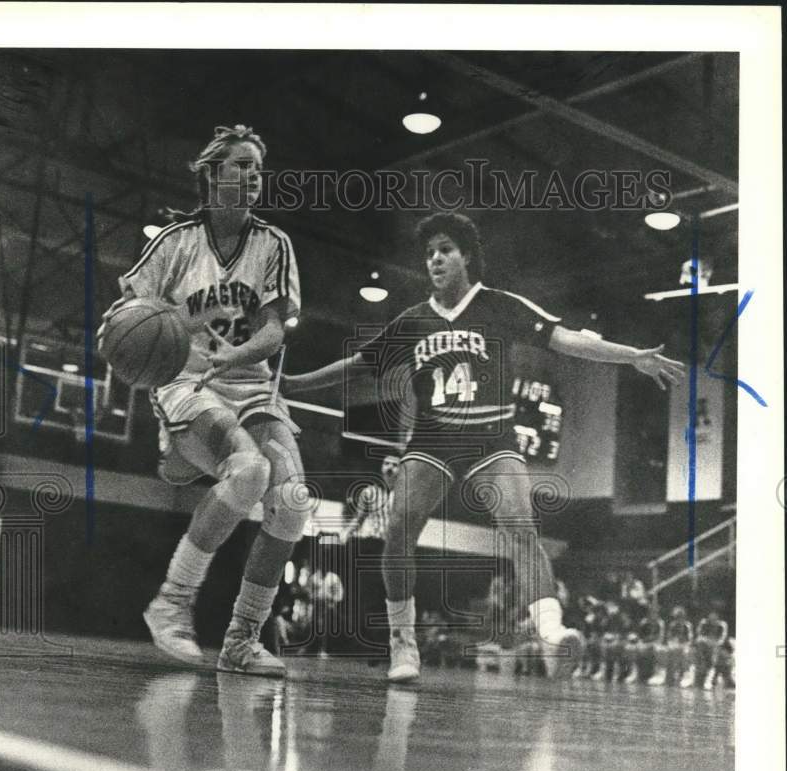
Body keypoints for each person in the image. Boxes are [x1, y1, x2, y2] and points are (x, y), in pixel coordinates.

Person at [284, 211, 684, 682]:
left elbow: (570, 341)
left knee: (520, 525)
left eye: (445, 250)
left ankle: (553, 633)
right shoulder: (412, 321)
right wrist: (293, 384)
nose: (435, 259)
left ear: (467, 256)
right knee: (399, 526)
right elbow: (358, 365)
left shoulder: (499, 305)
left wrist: (631, 356)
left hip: (491, 435)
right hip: (434, 438)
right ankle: (401, 643)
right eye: (429, 253)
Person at [98, 125, 306, 676]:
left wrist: (232, 358)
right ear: (213, 174)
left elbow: (273, 330)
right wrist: (122, 332)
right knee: (247, 472)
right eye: (240, 164)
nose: (252, 175)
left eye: (257, 167)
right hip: (188, 381)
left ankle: (241, 639)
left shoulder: (273, 245)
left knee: (294, 500)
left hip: (250, 381)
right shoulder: (175, 243)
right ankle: (172, 601)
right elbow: (131, 314)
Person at [340, 454, 399, 652]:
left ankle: (383, 643)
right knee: (364, 592)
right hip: (371, 545)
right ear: (381, 467)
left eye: (395, 465)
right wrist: (346, 533)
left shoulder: (404, 494)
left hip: (391, 547)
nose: (390, 468)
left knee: (385, 595)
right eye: (387, 463)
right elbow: (359, 517)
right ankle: (361, 641)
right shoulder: (370, 493)